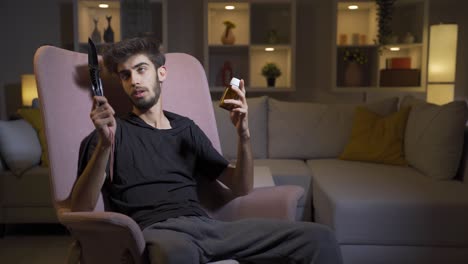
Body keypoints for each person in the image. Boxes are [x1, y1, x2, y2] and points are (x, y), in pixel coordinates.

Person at [71, 37, 343, 264]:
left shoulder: (186, 129)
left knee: (320, 238)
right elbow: (80, 207)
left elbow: (241, 188)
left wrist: (243, 135)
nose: (134, 81)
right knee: (176, 253)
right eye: (125, 75)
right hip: (158, 232)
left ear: (161, 72)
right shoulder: (108, 135)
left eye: (141, 69)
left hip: (209, 227)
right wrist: (105, 145)